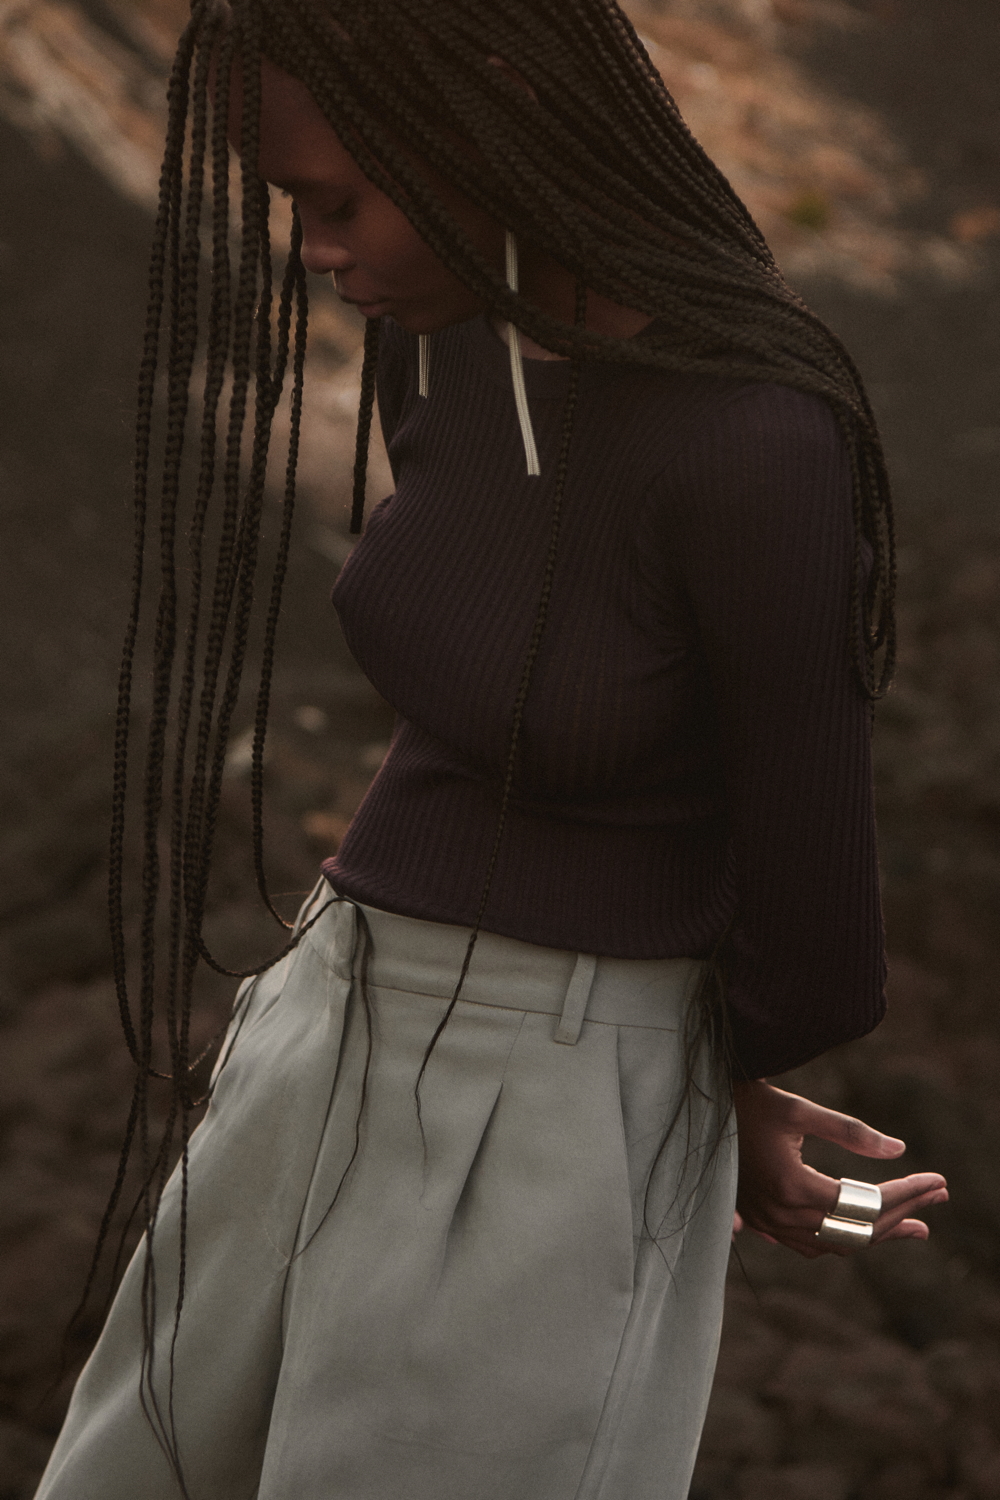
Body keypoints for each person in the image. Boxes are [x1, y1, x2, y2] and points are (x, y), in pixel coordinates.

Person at [35, 1, 948, 1497]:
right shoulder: (456, 344)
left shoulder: (755, 441)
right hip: (322, 1016)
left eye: (340, 203)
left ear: (490, 124)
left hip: (545, 1111)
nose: (315, 251)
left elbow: (819, 930)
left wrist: (699, 1093)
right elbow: (492, 705)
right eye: (295, 208)